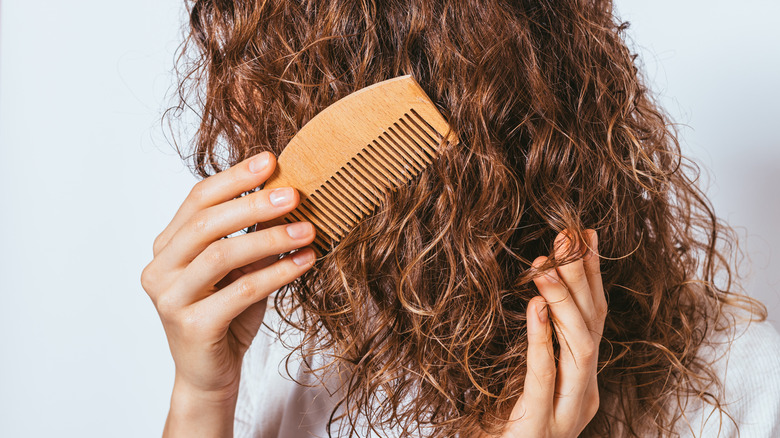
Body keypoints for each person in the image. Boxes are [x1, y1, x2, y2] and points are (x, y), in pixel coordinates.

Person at [141, 0, 780, 436]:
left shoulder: (746, 393)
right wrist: (202, 400)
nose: (264, 143)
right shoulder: (292, 356)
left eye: (292, 93)